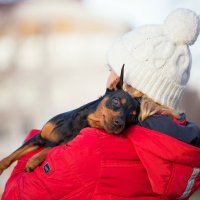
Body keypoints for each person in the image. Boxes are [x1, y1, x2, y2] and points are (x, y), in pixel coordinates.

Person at [2, 8, 200, 200]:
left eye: (111, 68)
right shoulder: (181, 150)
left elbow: (15, 196)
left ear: (123, 84)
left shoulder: (91, 146)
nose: (109, 77)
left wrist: (37, 141)